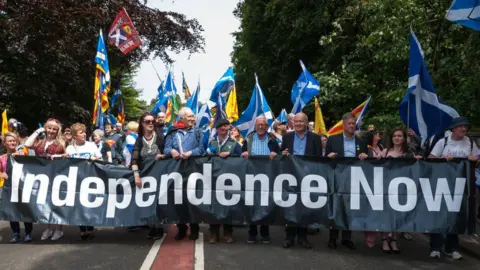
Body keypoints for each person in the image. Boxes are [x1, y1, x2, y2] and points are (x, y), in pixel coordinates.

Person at [428, 117, 478, 260]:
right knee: (439, 215)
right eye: (460, 126)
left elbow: (477, 159)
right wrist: (443, 159)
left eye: (465, 127)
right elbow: (430, 160)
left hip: (461, 186)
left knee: (455, 216)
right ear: (453, 129)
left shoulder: (470, 142)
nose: (463, 129)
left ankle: (452, 248)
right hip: (442, 184)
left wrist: (475, 160)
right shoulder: (443, 142)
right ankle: (436, 246)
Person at [325, 112, 368, 250]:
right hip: (337, 179)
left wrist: (365, 156)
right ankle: (333, 238)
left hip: (354, 179)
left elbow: (366, 161)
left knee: (350, 209)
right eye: (349, 123)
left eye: (353, 123)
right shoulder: (333, 139)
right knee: (336, 208)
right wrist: (329, 157)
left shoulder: (361, 142)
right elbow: (325, 159)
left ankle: (346, 238)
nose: (351, 126)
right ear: (343, 125)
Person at [280, 112, 322, 249]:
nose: (298, 124)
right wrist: (283, 154)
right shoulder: (286, 137)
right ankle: (289, 237)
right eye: (296, 121)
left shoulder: (315, 138)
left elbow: (318, 159)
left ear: (306, 123)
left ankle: (302, 237)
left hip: (308, 177)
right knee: (291, 206)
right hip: (291, 177)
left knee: (304, 207)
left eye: (301, 121)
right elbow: (281, 155)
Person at [164, 107, 205, 241]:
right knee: (178, 200)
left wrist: (191, 153)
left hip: (193, 170)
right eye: (190, 117)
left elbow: (202, 149)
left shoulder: (198, 132)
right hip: (176, 171)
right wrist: (172, 152)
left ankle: (194, 229)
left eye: (193, 116)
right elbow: (166, 148)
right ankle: (182, 229)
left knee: (192, 200)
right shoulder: (173, 132)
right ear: (181, 118)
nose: (193, 119)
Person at [378, 127, 421, 253]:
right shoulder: (385, 152)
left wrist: (417, 161)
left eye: (399, 136)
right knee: (386, 216)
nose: (396, 138)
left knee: (398, 216)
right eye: (394, 136)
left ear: (404, 138)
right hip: (386, 189)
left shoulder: (409, 154)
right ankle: (384, 240)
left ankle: (394, 240)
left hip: (402, 189)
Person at [24, 118, 66, 241]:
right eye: (49, 128)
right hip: (41, 176)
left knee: (57, 202)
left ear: (57, 131)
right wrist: (38, 131)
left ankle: (59, 229)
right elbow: (27, 145)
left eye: (54, 129)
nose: (51, 131)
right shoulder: (40, 141)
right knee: (44, 202)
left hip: (57, 175)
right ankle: (48, 228)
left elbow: (68, 155)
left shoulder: (61, 143)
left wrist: (58, 155)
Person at [241, 116, 280, 244]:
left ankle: (265, 232)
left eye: (263, 124)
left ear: (266, 125)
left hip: (268, 176)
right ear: (255, 125)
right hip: (252, 176)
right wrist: (244, 154)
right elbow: (241, 155)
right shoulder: (248, 138)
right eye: (259, 124)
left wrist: (276, 154)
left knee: (265, 204)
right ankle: (252, 233)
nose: (261, 126)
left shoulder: (272, 139)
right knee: (252, 203)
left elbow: (279, 156)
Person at [206, 119, 242, 244]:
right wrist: (209, 153)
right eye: (220, 126)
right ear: (216, 129)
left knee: (228, 205)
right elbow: (204, 157)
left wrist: (230, 154)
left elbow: (241, 157)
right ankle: (213, 233)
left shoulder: (234, 143)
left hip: (229, 179)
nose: (223, 128)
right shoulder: (212, 142)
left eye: (226, 126)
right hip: (213, 178)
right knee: (214, 205)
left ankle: (228, 233)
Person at [131, 112, 166, 240]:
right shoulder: (139, 141)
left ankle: (159, 227)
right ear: (142, 124)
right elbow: (134, 160)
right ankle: (152, 226)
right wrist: (136, 176)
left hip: (159, 175)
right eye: (147, 121)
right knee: (148, 201)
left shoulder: (160, 138)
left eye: (152, 121)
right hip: (145, 175)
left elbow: (167, 152)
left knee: (158, 201)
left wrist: (162, 156)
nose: (151, 123)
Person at [66, 123, 103, 240]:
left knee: (89, 204)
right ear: (74, 136)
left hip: (90, 179)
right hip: (76, 181)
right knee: (78, 205)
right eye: (81, 132)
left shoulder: (91, 146)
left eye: (84, 132)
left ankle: (90, 227)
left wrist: (94, 159)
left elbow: (101, 159)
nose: (84, 134)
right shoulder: (70, 148)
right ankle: (82, 229)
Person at [1, 132, 34, 243]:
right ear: (4, 143)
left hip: (22, 187)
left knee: (25, 209)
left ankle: (28, 233)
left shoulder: (22, 154)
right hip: (9, 188)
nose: (12, 143)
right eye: (10, 141)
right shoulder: (2, 158)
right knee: (12, 211)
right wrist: (1, 174)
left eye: (14, 140)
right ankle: (16, 233)